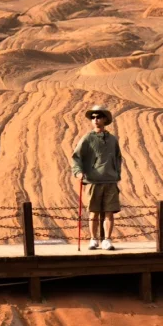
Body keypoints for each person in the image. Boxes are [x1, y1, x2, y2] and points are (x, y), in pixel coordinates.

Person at [72, 103, 123, 251]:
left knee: (109, 212)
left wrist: (116, 173)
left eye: (98, 116)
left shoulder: (113, 139)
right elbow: (76, 157)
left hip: (110, 181)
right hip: (93, 181)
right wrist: (78, 172)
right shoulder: (87, 138)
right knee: (93, 213)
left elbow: (118, 157)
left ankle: (107, 240)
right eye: (93, 117)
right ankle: (93, 239)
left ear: (105, 119)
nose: (95, 119)